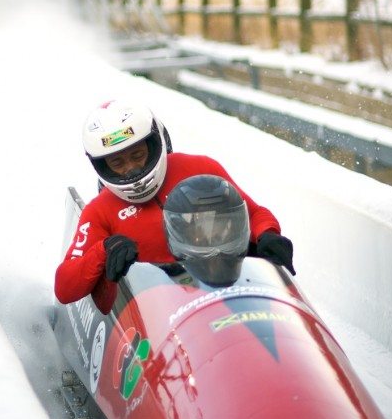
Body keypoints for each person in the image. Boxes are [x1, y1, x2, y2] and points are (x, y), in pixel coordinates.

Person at [54, 99, 294, 313]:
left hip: (228, 291)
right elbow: (64, 287)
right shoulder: (99, 211)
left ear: (155, 143)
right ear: (102, 166)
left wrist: (267, 235)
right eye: (117, 162)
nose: (131, 168)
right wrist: (105, 250)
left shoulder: (201, 168)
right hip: (160, 315)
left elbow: (254, 213)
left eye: (138, 155)